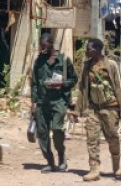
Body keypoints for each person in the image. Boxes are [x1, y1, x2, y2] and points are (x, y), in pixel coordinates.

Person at [76, 38, 121, 182]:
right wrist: (77, 110)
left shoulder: (111, 65)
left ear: (98, 49)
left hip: (110, 108)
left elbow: (118, 88)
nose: (86, 51)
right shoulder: (87, 66)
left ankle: (116, 167)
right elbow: (82, 88)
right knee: (92, 139)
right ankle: (94, 170)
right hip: (94, 109)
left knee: (113, 138)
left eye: (89, 49)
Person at [30, 32, 77, 173]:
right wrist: (33, 103)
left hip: (59, 101)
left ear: (52, 44)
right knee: (42, 133)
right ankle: (50, 162)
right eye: (41, 46)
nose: (43, 49)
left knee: (57, 129)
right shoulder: (39, 61)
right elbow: (34, 83)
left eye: (45, 46)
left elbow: (74, 79)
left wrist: (61, 84)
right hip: (42, 102)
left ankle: (61, 156)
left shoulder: (63, 60)